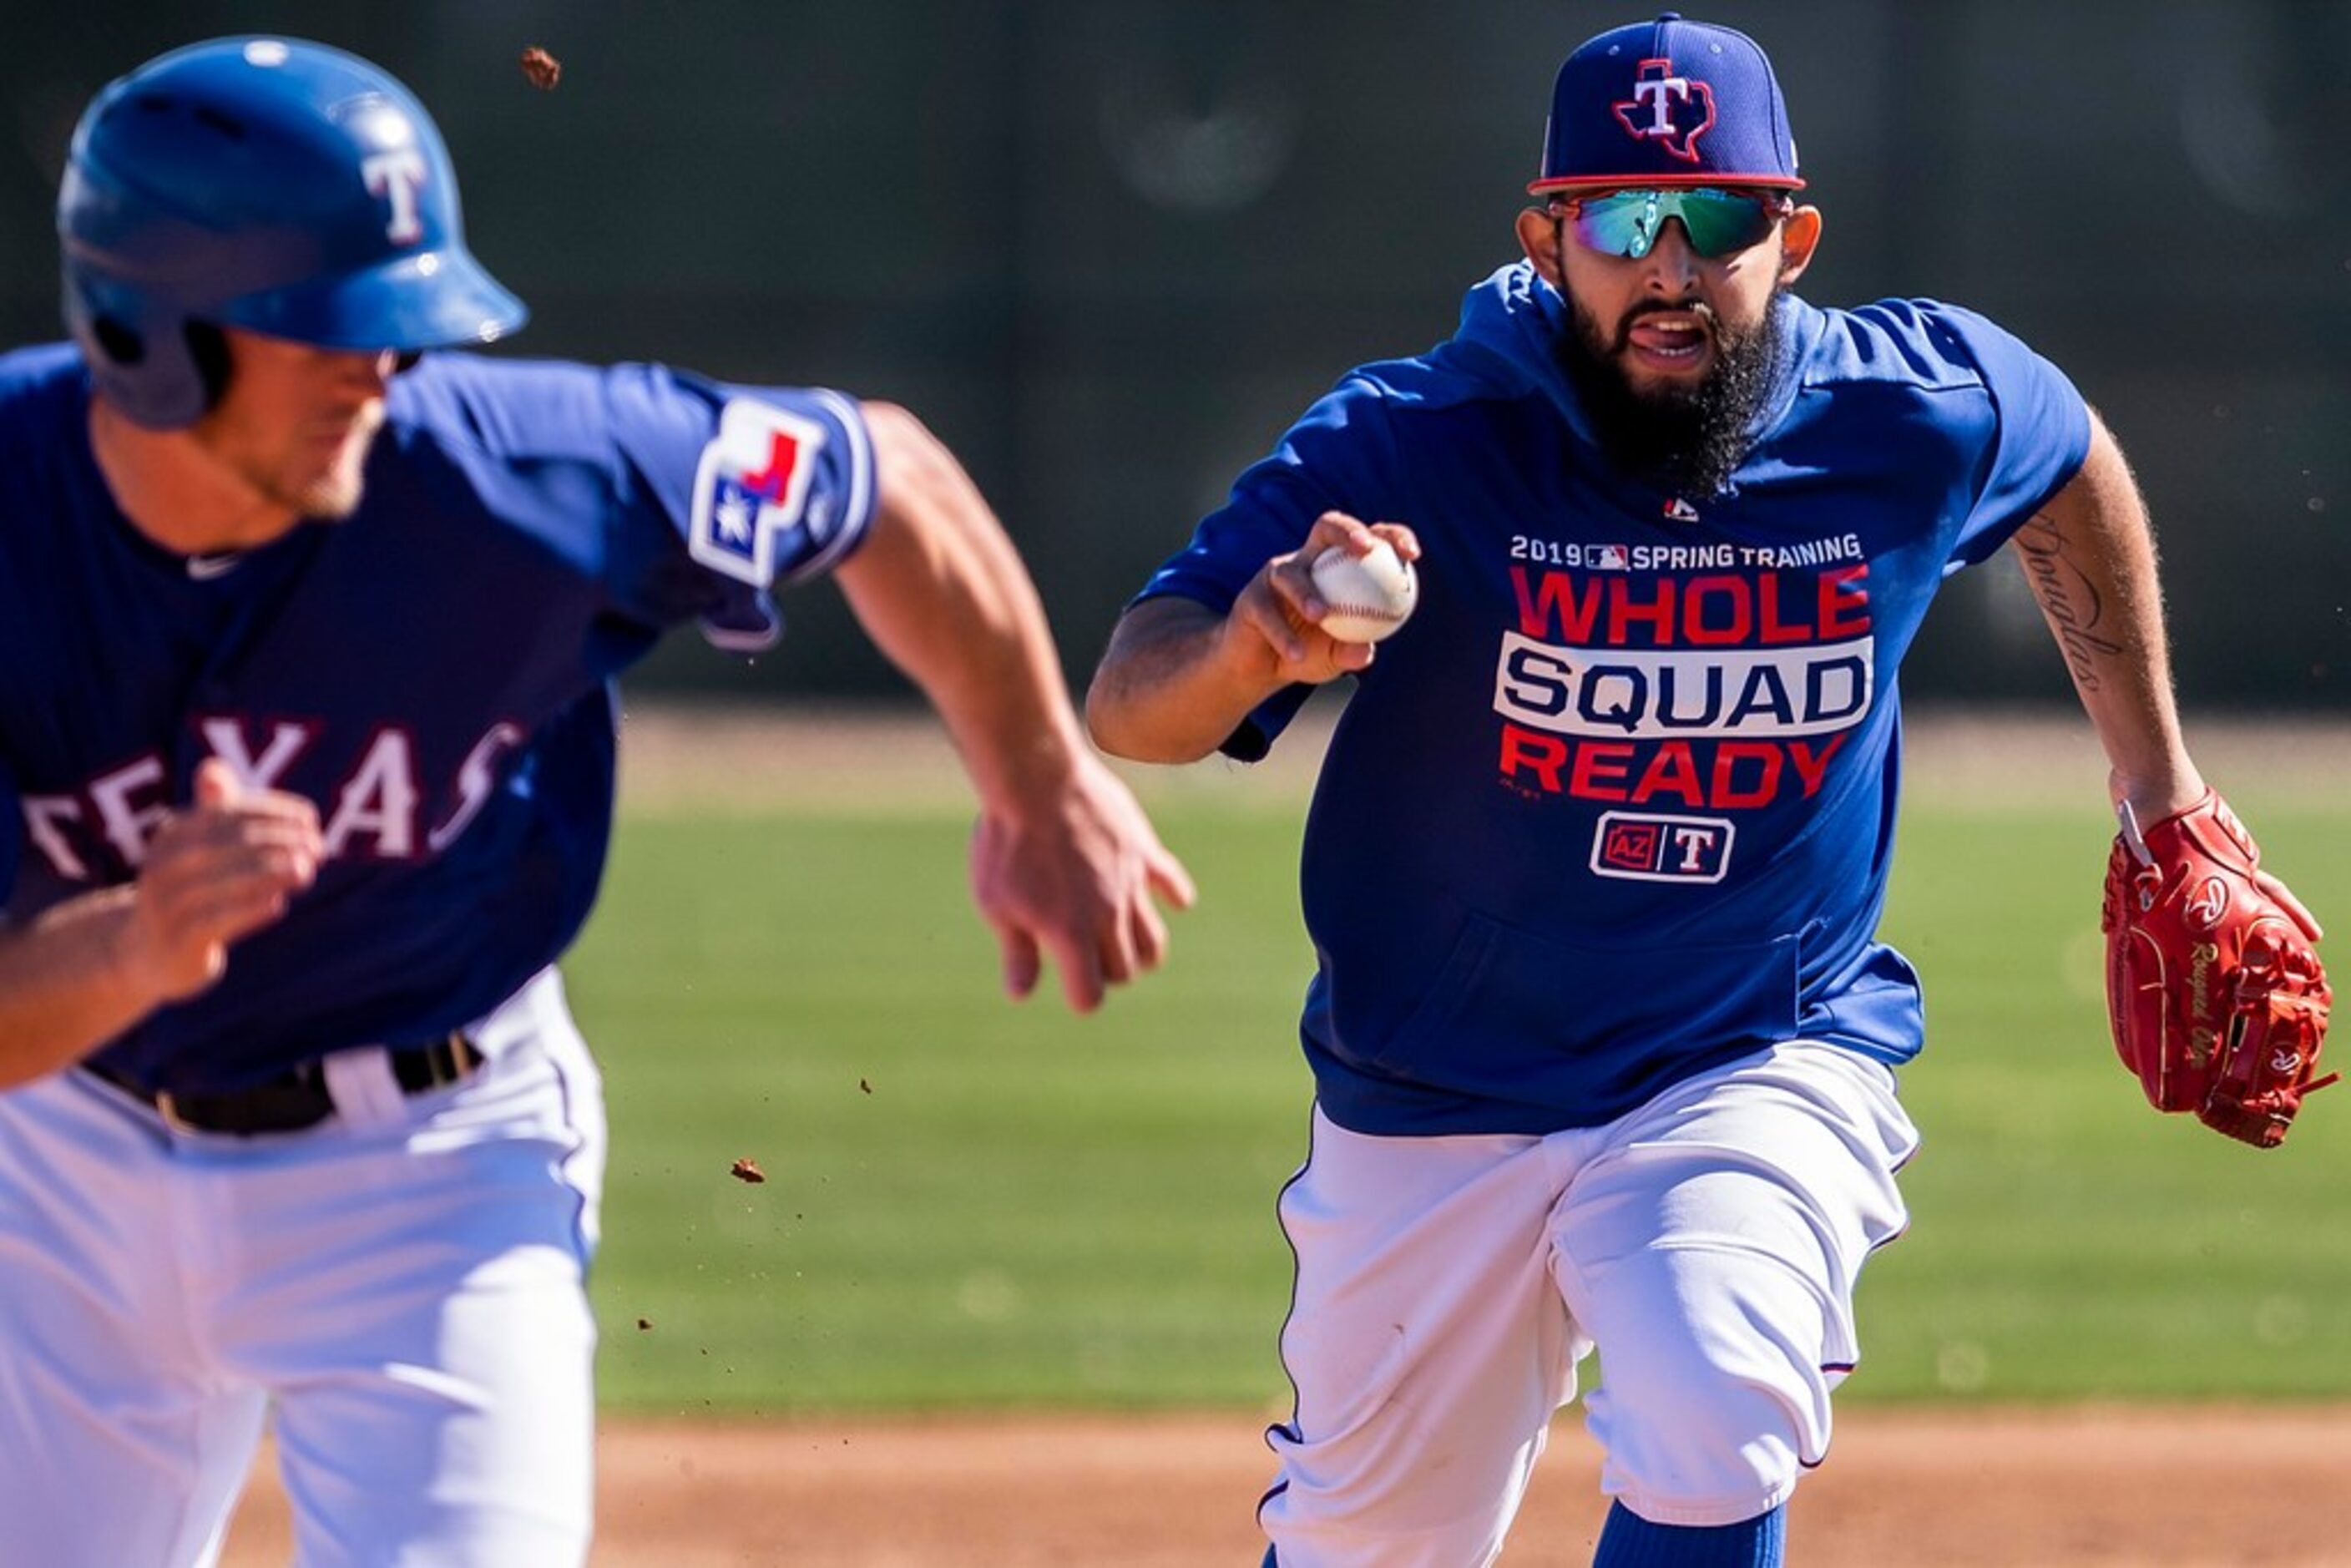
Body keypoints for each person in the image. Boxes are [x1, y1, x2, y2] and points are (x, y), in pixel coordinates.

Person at [1087, 13, 2326, 1568]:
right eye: (1617, 219)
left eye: (1718, 219)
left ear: (1792, 237)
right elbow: (1133, 692)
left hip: (1753, 1049)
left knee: (1718, 1390)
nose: (1668, 265)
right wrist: (1260, 643)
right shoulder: (1420, 440)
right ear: (1545, 240)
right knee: (1369, 1541)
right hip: (1437, 1087)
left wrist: (2166, 796)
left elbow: (2068, 459)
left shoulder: (1906, 409)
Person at [0, 34, 1193, 1568]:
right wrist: (129, 946)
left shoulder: (524, 471)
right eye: (332, 325)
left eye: (408, 319)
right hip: (68, 1167)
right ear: (144, 334)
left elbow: (882, 476)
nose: (386, 365)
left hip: (428, 1171)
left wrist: (1040, 779)